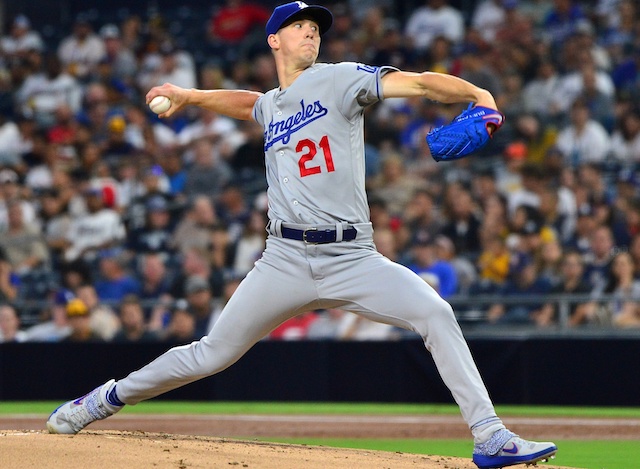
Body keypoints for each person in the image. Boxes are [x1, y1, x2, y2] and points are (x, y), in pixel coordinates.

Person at [46, 4, 557, 468]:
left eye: (316, 29)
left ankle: (489, 435)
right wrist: (190, 96)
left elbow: (418, 83)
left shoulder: (339, 79)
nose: (311, 34)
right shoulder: (274, 104)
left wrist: (476, 94)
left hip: (352, 255)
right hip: (284, 258)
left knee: (435, 313)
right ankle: (102, 399)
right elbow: (251, 105)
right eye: (300, 27)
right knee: (211, 353)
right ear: (274, 40)